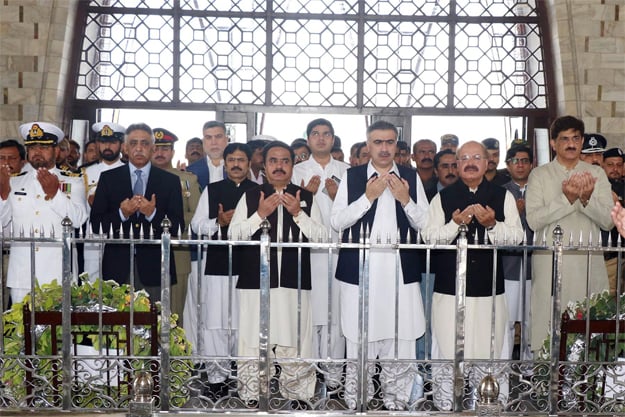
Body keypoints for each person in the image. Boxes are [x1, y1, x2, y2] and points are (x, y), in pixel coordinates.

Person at [331, 120, 429, 410]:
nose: (384, 148)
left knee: (401, 343)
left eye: (390, 142)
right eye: (378, 142)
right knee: (359, 343)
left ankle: (396, 405)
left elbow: (427, 225)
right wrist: (367, 197)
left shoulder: (411, 176)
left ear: (397, 145)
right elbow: (337, 222)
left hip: (400, 275)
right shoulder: (352, 177)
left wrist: (406, 199)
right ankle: (357, 404)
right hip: (361, 275)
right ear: (368, 145)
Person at [422, 141, 523, 410]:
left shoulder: (503, 197)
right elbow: (429, 238)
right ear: (456, 162)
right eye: (464, 157)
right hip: (449, 290)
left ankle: (488, 408)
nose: (470, 162)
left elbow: (517, 238)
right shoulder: (442, 198)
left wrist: (491, 225)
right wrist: (454, 224)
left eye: (476, 157)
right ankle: (446, 407)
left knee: (490, 351)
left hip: (490, 290)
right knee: (447, 351)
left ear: (487, 162)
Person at [229, 141, 324, 404]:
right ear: (265, 165)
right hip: (255, 282)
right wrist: (260, 214)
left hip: (294, 283)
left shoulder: (306, 196)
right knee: (252, 340)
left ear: (293, 166)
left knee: (296, 341)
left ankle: (298, 394)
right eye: (273, 161)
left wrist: (298, 214)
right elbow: (233, 236)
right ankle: (251, 394)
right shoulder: (250, 196)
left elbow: (323, 237)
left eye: (285, 161)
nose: (279, 166)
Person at [526, 115, 613, 354]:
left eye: (576, 138)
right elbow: (534, 220)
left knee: (589, 329)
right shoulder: (539, 175)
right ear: (553, 143)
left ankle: (587, 386)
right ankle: (547, 385)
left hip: (587, 264)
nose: (571, 143)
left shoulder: (597, 175)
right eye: (564, 139)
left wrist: (586, 200)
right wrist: (566, 199)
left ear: (582, 141)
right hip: (551, 265)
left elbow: (607, 221)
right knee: (548, 327)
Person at [186, 142, 258, 399]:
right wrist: (219, 221)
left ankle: (244, 377)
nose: (236, 164)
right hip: (217, 266)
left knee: (245, 323)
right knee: (216, 323)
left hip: (249, 266)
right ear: (225, 164)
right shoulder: (212, 190)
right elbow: (197, 226)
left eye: (241, 160)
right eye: (232, 160)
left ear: (249, 164)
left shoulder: (258, 191)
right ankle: (217, 379)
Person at [90, 123, 185, 302]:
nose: (139, 148)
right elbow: (96, 224)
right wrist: (122, 213)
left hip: (155, 268)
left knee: (155, 325)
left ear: (153, 148)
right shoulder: (109, 179)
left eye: (145, 143)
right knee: (117, 326)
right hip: (117, 268)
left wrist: (152, 213)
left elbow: (178, 226)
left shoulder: (170, 181)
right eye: (133, 143)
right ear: (125, 148)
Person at [0, 122, 88, 304]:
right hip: (22, 275)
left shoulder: (73, 180)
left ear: (56, 151)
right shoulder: (14, 181)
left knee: (55, 331)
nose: (37, 151)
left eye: (43, 146)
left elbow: (79, 219)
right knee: (20, 330)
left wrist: (55, 194)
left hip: (57, 273)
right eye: (32, 147)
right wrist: (3, 195)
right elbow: (3, 223)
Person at [291, 118, 349, 395]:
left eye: (327, 134)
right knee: (310, 315)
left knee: (336, 316)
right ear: (308, 138)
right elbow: (291, 210)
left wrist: (338, 196)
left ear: (333, 138)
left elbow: (354, 210)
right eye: (316, 134)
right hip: (309, 253)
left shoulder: (348, 171)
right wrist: (307, 195)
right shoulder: (296, 171)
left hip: (340, 251)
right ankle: (308, 378)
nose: (321, 138)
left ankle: (335, 379)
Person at [151, 127, 201, 323]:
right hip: (144, 254)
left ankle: (174, 354)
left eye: (165, 148)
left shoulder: (186, 179)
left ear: (172, 152)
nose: (160, 153)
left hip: (177, 252)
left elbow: (196, 215)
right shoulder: (139, 178)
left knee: (174, 314)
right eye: (156, 148)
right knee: (143, 312)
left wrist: (166, 221)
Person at [82, 122, 127, 280]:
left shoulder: (129, 171)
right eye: (103, 142)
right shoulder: (85, 172)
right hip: (92, 236)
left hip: (119, 234)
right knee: (91, 283)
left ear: (121, 145)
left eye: (113, 142)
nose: (107, 146)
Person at [501, 145, 534, 360]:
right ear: (508, 165)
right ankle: (502, 364)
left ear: (531, 164)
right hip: (508, 266)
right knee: (507, 319)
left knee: (532, 318)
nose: (520, 165)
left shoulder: (540, 189)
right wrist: (517, 213)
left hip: (535, 265)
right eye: (515, 161)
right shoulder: (500, 191)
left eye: (524, 160)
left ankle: (531, 369)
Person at [601, 147, 625, 294]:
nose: (615, 169)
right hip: (606, 255)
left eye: (619, 165)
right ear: (603, 165)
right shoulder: (598, 187)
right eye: (610, 165)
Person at [187, 121, 229, 189]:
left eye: (218, 136)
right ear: (203, 141)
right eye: (208, 137)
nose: (214, 142)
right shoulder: (190, 171)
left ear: (226, 140)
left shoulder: (238, 168)